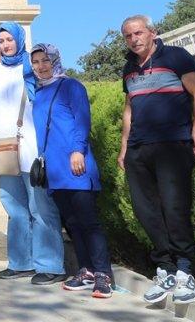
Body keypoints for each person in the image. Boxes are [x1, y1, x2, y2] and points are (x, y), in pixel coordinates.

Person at [119, 15, 195, 305]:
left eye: (138, 33)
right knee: (146, 211)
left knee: (175, 207)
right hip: (138, 149)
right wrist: (124, 148)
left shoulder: (176, 57)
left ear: (152, 32)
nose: (134, 39)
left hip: (173, 145)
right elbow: (129, 110)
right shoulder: (129, 68)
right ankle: (166, 270)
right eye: (128, 35)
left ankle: (185, 270)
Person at [30, 43, 112, 299]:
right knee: (73, 223)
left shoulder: (71, 86)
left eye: (45, 60)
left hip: (75, 163)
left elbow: (82, 119)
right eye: (36, 63)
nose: (41, 66)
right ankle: (86, 270)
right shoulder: (40, 92)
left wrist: (78, 149)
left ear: (55, 60)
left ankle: (103, 275)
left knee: (89, 221)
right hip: (54, 168)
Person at [0, 22, 66, 285]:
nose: (6, 44)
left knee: (40, 207)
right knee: (15, 208)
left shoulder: (32, 68)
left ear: (19, 39)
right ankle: (21, 262)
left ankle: (51, 264)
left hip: (32, 147)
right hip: (5, 148)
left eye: (10, 39)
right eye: (2, 41)